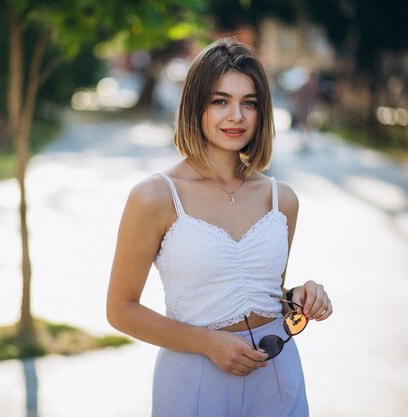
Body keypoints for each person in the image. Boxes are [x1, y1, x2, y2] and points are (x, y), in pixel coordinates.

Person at [106, 37, 333, 417]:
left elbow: (262, 291)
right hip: (194, 376)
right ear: (196, 105)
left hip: (276, 372)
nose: (236, 117)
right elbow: (120, 309)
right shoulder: (155, 197)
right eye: (220, 101)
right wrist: (208, 344)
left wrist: (303, 294)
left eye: (250, 103)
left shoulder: (282, 198)